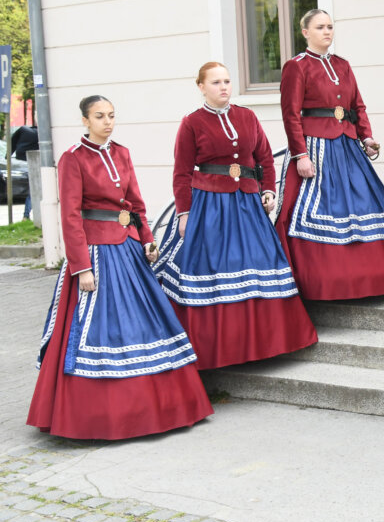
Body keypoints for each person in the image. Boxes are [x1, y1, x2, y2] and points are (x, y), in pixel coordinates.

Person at [27, 96, 212, 440]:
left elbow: (136, 204)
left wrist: (146, 239)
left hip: (128, 248)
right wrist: (81, 267)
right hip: (96, 252)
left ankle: (160, 410)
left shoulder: (122, 153)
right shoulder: (73, 159)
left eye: (111, 116)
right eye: (99, 116)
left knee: (148, 322)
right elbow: (69, 217)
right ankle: (99, 416)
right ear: (85, 120)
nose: (107, 122)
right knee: (101, 329)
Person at [153, 62, 317, 369]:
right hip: (210, 206)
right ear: (201, 87)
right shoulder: (191, 123)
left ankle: (267, 342)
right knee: (218, 268)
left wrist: (268, 189)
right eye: (215, 82)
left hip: (248, 205)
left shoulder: (248, 116)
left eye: (227, 81)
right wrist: (184, 213)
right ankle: (223, 349)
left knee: (260, 264)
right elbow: (181, 173)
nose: (224, 87)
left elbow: (265, 158)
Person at [276, 10, 384, 296]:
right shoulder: (297, 66)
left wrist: (366, 136)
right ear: (305, 32)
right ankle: (323, 281)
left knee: (363, 204)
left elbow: (358, 106)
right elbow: (291, 115)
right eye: (320, 27)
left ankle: (375, 276)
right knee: (316, 208)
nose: (327, 31)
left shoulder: (342, 65)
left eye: (330, 26)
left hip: (347, 144)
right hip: (316, 147)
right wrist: (300, 155)